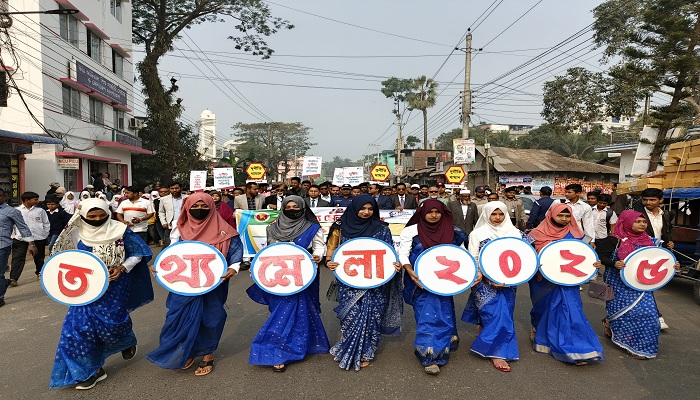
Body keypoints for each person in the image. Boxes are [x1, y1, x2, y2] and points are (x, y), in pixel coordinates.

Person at [49, 198, 153, 390]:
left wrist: (122, 267)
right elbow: (62, 257)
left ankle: (125, 340)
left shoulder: (120, 231)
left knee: (112, 324)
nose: (97, 219)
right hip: (84, 289)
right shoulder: (73, 232)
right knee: (77, 328)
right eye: (92, 216)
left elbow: (138, 253)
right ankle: (90, 371)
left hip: (115, 285)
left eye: (102, 215)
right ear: (82, 216)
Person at [147, 193, 243, 376]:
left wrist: (234, 268)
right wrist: (158, 265)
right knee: (177, 317)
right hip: (183, 285)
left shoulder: (224, 230)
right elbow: (170, 253)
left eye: (204, 206)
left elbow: (236, 251)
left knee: (210, 317)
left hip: (214, 283)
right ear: (187, 208)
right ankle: (187, 350)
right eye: (195, 206)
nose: (200, 210)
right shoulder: (179, 228)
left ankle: (207, 354)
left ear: (212, 207)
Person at [248, 196, 329, 372]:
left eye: (296, 207)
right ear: (283, 208)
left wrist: (318, 256)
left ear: (302, 208)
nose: (292, 209)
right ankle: (287, 346)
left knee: (298, 310)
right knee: (281, 311)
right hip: (277, 279)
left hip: (303, 275)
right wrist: (257, 266)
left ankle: (279, 351)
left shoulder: (312, 228)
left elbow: (319, 247)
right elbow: (267, 251)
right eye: (288, 207)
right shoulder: (272, 228)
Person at [326, 195, 402, 370]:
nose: (366, 212)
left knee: (372, 316)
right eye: (363, 209)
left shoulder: (382, 228)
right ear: (355, 208)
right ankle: (348, 342)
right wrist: (329, 261)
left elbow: (389, 252)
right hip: (349, 280)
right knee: (351, 314)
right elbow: (331, 249)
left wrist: (395, 265)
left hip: (376, 282)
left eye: (370, 209)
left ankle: (365, 351)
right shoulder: (339, 227)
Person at [528, 203, 604, 365]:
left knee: (570, 311)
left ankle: (575, 349)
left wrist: (594, 263)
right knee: (544, 310)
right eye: (560, 215)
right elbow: (526, 256)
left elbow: (584, 256)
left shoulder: (578, 234)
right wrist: (536, 263)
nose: (564, 219)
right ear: (551, 215)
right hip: (543, 282)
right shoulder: (536, 234)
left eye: (567, 216)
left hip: (569, 282)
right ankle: (542, 334)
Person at [462, 202, 534, 372]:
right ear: (486, 214)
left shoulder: (515, 233)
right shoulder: (477, 234)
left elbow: (527, 254)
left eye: (501, 214)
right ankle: (497, 352)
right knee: (494, 314)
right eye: (493, 214)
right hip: (484, 281)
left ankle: (493, 341)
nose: (497, 218)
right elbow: (473, 257)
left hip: (507, 282)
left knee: (504, 314)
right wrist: (487, 277)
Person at [399, 200, 467, 375]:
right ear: (422, 212)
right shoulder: (411, 231)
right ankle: (429, 354)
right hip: (420, 281)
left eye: (437, 212)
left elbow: (461, 254)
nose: (434, 215)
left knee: (443, 313)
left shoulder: (453, 231)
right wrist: (410, 271)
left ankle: (439, 350)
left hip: (444, 282)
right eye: (430, 212)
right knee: (427, 315)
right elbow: (403, 254)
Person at [599, 210, 679, 359]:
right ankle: (613, 326)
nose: (642, 224)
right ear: (627, 222)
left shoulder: (651, 241)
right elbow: (601, 256)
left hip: (642, 286)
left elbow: (661, 259)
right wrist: (614, 263)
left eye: (644, 222)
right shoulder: (614, 240)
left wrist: (673, 265)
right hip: (618, 284)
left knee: (648, 315)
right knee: (624, 315)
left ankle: (641, 347)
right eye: (638, 221)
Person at [633, 188, 674, 330]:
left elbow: (666, 231)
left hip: (658, 253)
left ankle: (650, 315)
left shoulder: (666, 214)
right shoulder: (637, 214)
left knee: (649, 284)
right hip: (640, 252)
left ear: (660, 201)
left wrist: (669, 242)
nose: (648, 202)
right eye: (645, 200)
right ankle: (657, 316)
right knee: (644, 284)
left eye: (652, 200)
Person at [0, 188, 36, 307]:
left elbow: (23, 227)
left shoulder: (12, 211)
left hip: (2, 246)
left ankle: (0, 297)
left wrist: (31, 243)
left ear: (4, 197)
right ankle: (4, 282)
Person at [9, 192, 50, 284]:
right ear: (27, 200)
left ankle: (40, 273)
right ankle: (13, 278)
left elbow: (46, 223)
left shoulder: (40, 211)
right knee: (18, 258)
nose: (37, 201)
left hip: (38, 238)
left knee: (39, 257)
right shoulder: (16, 210)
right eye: (35, 199)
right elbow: (11, 225)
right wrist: (13, 236)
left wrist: (44, 234)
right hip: (20, 239)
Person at [158, 182, 187, 247]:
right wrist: (164, 222)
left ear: (181, 188)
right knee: (169, 246)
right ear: (169, 189)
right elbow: (161, 212)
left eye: (176, 188)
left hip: (185, 225)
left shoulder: (187, 198)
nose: (174, 190)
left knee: (185, 245)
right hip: (170, 226)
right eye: (172, 188)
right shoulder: (164, 199)